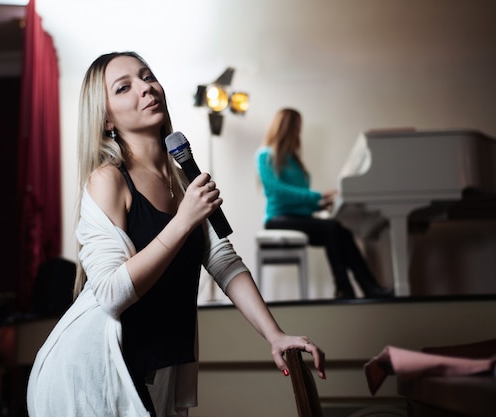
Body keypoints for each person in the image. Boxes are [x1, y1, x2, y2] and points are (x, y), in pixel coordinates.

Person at [26, 53, 325, 417]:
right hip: (90, 372)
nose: (146, 88)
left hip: (157, 367)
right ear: (106, 121)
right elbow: (109, 294)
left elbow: (224, 262)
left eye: (147, 76)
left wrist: (274, 335)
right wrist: (183, 221)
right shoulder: (108, 181)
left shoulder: (183, 179)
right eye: (124, 87)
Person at [255, 108, 393, 300]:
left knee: (340, 231)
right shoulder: (265, 155)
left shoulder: (294, 160)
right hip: (278, 218)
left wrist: (321, 205)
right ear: (285, 127)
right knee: (332, 228)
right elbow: (276, 190)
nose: (298, 132)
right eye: (296, 127)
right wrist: (317, 196)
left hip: (298, 217)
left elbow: (299, 202)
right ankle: (346, 287)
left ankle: (367, 287)